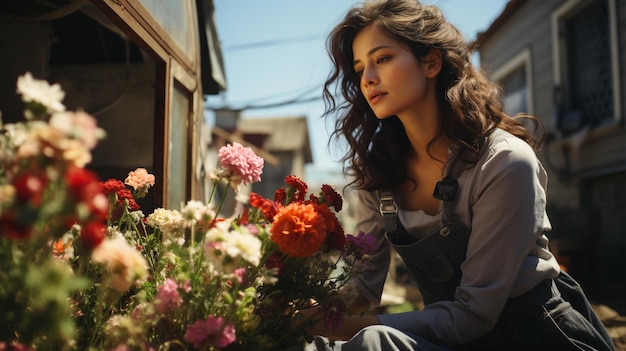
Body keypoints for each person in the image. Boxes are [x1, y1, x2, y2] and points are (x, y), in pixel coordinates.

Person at [304, 0, 616, 350]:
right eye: (360, 68)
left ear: (431, 62)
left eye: (383, 59)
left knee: (374, 342)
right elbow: (360, 286)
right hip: (455, 338)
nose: (368, 79)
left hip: (538, 337)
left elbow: (473, 313)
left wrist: (346, 327)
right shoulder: (380, 174)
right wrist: (299, 306)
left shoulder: (503, 162)